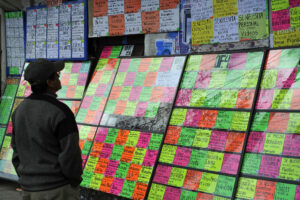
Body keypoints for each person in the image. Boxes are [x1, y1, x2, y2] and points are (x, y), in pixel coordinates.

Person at [11, 59, 82, 200]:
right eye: (56, 74)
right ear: (49, 82)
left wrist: (27, 179)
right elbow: (70, 154)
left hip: (28, 189)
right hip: (57, 190)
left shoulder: (19, 111)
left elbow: (16, 151)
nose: (59, 76)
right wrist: (74, 181)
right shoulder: (60, 112)